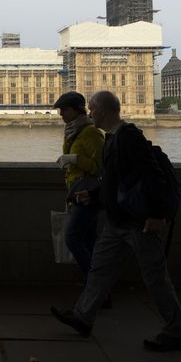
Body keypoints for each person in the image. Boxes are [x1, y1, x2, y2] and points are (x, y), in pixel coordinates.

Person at [51, 90, 181, 352]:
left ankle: (176, 331)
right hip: (118, 222)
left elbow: (153, 175)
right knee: (99, 271)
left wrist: (157, 214)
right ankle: (83, 317)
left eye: (92, 109)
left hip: (138, 222)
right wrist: (93, 196)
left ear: (103, 110)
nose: (89, 113)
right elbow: (114, 182)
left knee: (155, 278)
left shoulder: (129, 137)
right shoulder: (112, 137)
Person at [53, 91, 104, 283]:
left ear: (76, 110)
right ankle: (99, 289)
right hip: (76, 191)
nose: (61, 114)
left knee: (72, 238)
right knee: (89, 241)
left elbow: (102, 167)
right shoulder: (72, 131)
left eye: (64, 110)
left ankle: (95, 285)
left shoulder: (91, 132)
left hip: (88, 194)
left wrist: (75, 159)